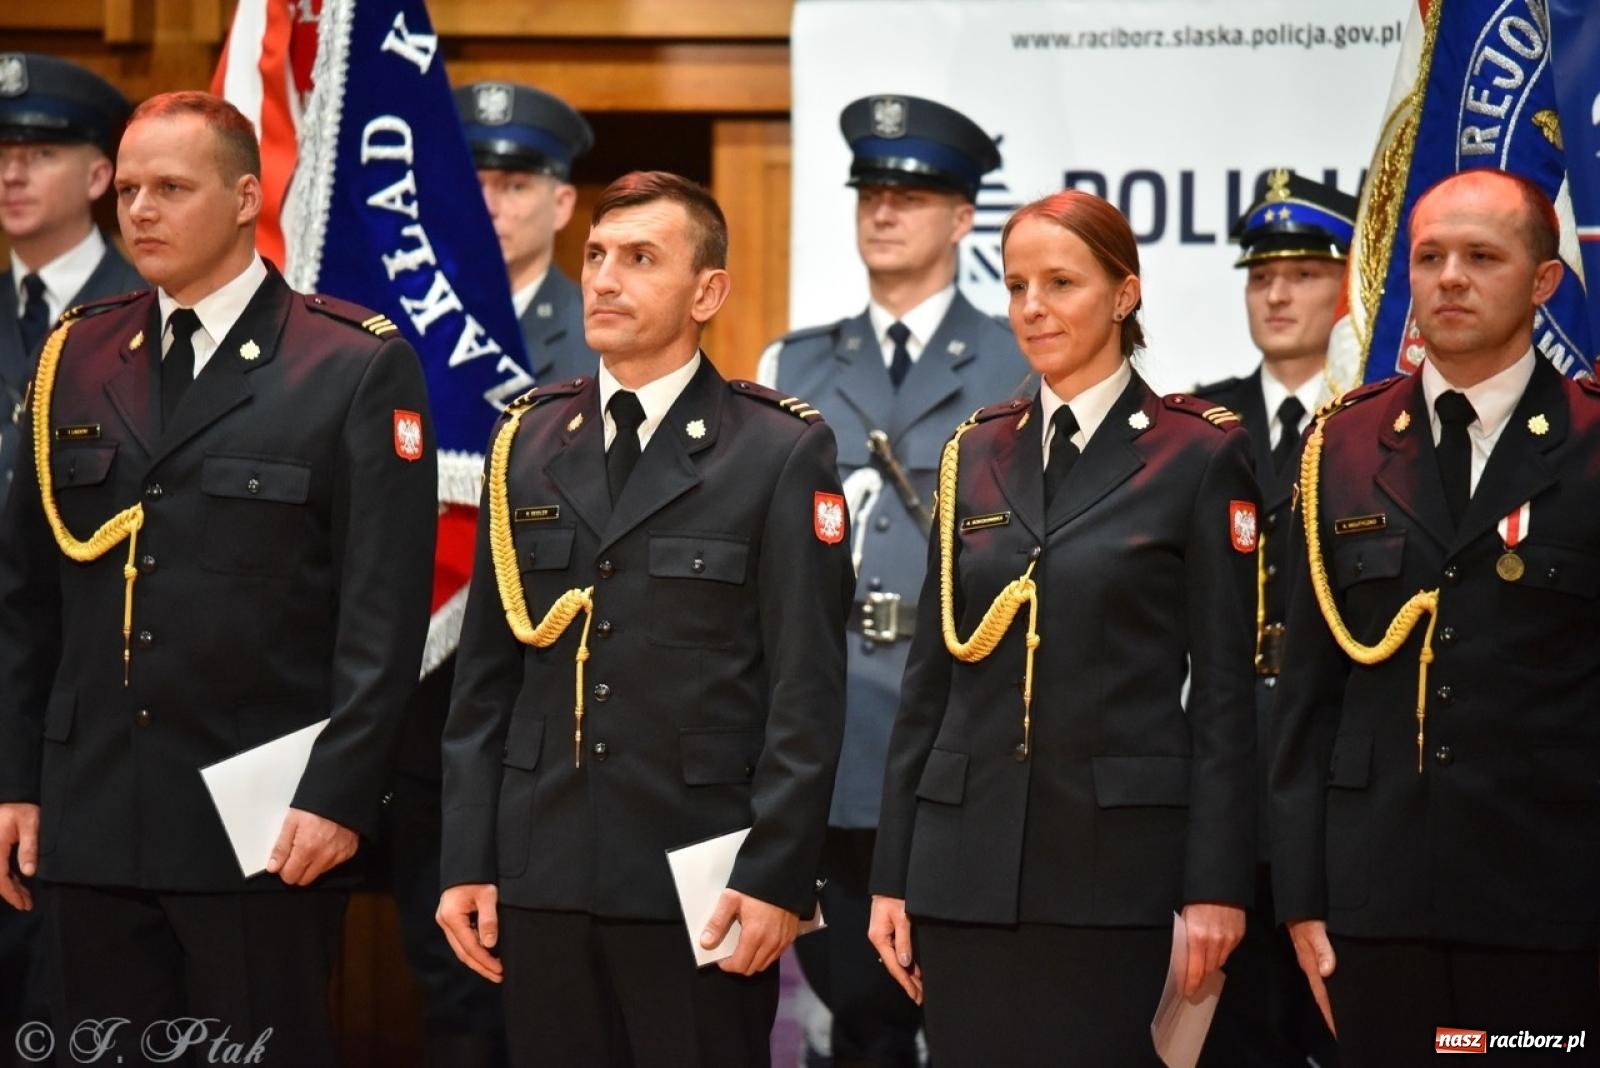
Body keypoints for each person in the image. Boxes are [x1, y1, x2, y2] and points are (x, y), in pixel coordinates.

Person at [0, 91, 437, 1064]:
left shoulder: (348, 365)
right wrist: (15, 781)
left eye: (172, 188)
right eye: (131, 188)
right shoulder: (75, 353)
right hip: (90, 819)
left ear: (246, 198)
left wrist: (337, 797)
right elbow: (26, 598)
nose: (139, 210)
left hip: (260, 829)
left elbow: (382, 617)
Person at [437, 170, 853, 1067]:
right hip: (542, 871)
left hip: (698, 878)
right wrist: (467, 857)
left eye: (639, 258)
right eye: (593, 256)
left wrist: (778, 873)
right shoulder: (529, 440)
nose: (604, 279)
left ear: (708, 291)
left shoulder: (778, 451)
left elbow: (806, 690)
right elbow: (485, 687)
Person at [868, 189, 1259, 1066]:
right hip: (964, 871)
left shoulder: (1197, 454)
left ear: (1124, 295)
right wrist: (893, 875)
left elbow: (1227, 696)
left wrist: (1215, 885)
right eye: (1015, 286)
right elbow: (930, 681)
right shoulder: (975, 452)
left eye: (1060, 282)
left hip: (1113, 872)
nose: (1033, 307)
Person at [1273, 168, 1600, 1063]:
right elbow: (1304, 698)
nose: (1449, 277)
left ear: (1541, 282)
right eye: (1429, 257)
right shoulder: (1340, 447)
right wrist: (1301, 898)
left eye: (1481, 256)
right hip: (1377, 909)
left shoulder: (1591, 441)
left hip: (1553, 909)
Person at [757, 93, 1028, 1067]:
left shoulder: (1019, 358)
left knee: (974, 1018)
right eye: (871, 191)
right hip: (840, 733)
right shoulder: (794, 364)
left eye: (911, 195)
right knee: (859, 1019)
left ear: (962, 218)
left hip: (968, 725)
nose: (883, 210)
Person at [1193, 170, 1352, 1068]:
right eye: (1261, 276)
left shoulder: (1378, 419)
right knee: (1232, 1026)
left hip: (1330, 756)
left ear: (1348, 286)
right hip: (1224, 758)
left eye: (1302, 273)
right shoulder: (1200, 424)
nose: (1278, 293)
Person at [2, 53, 144, 510]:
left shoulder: (151, 308)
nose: (11, 176)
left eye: (41, 155)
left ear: (98, 177)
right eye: (1, 156)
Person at [454, 80, 597, 385]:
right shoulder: (414, 321)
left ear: (561, 206)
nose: (488, 207)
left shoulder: (599, 339)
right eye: (471, 185)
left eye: (515, 187)